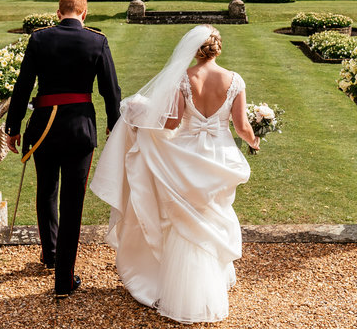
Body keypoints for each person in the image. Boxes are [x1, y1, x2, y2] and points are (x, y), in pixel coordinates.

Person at [90, 25, 259, 323]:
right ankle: (209, 288)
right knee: (211, 215)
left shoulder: (184, 78)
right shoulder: (235, 81)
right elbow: (242, 127)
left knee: (184, 219)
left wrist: (139, 113)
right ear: (218, 48)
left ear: (195, 50)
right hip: (219, 156)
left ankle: (181, 290)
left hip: (187, 155)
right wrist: (254, 140)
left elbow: (170, 123)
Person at [3, 0, 121, 297]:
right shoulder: (98, 41)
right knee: (72, 203)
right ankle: (64, 280)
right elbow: (111, 91)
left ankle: (51, 254)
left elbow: (23, 86)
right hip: (80, 130)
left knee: (46, 191)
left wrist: (12, 127)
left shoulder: (39, 39)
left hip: (44, 127)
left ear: (58, 13)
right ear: (84, 14)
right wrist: (115, 125)